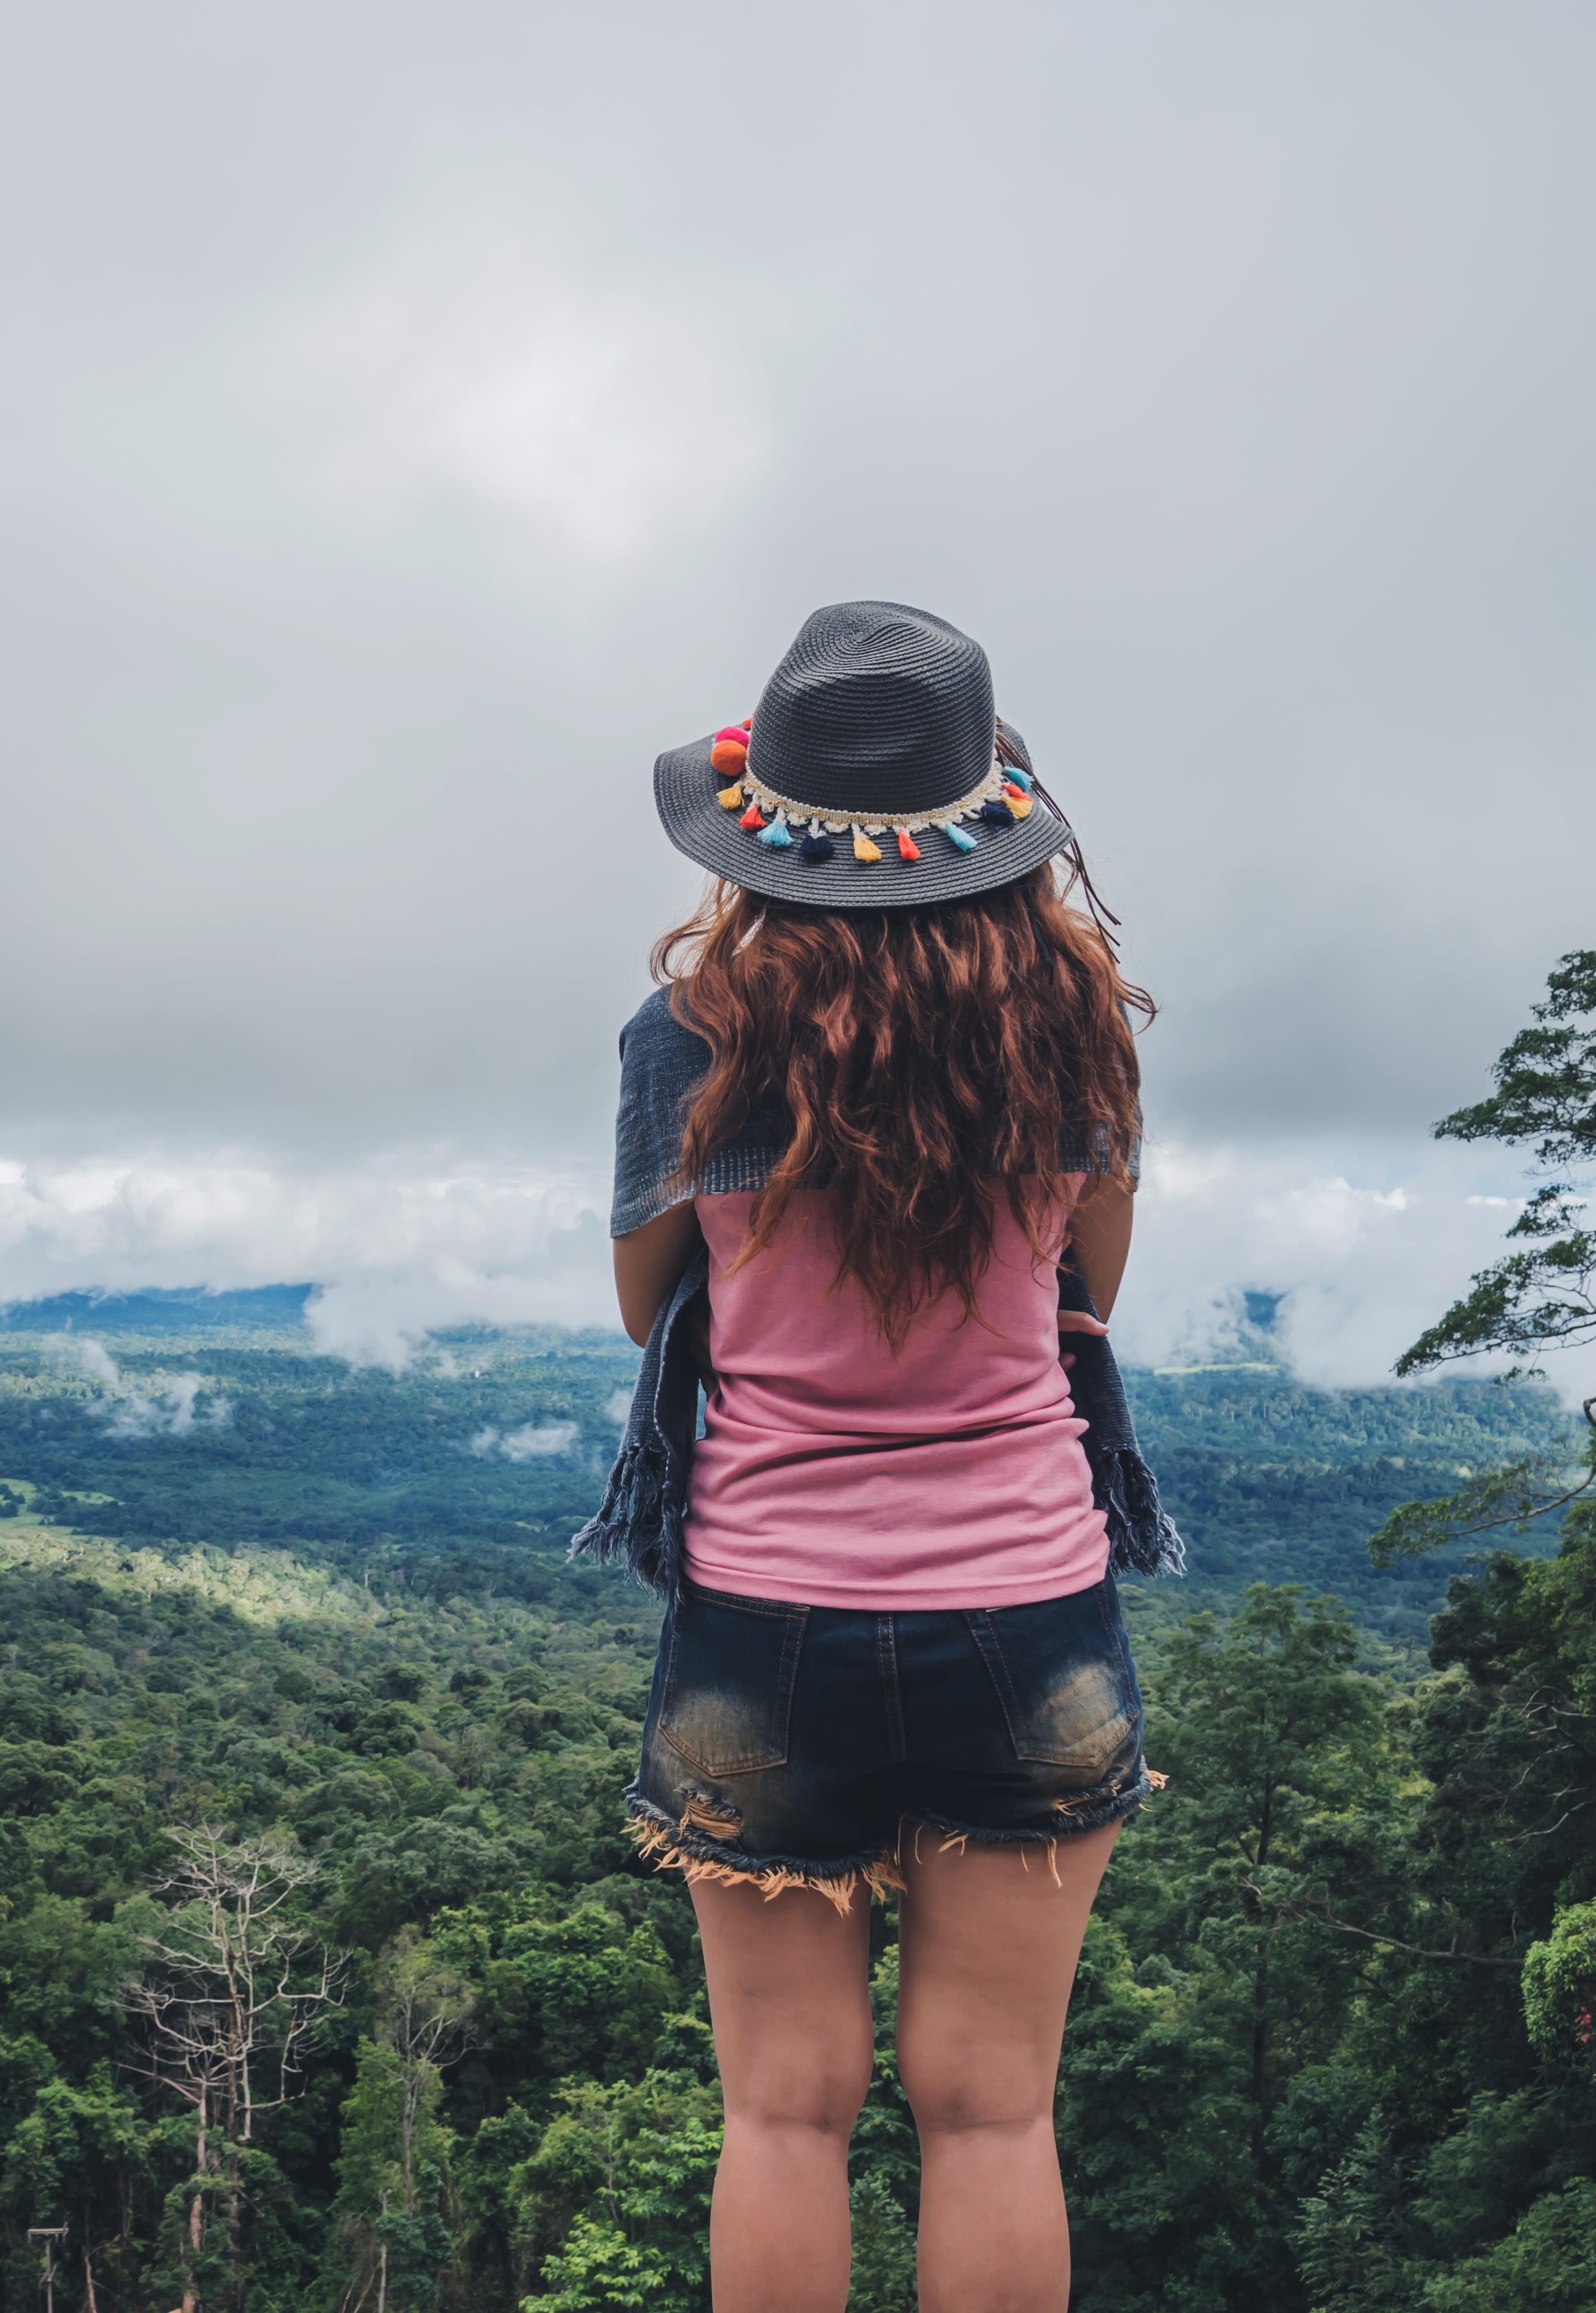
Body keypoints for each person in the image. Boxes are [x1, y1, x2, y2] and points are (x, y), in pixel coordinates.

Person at [573, 602, 1180, 2313]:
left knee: (781, 2112)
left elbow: (650, 1310)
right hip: (1032, 1607)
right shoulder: (1077, 1033)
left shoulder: (689, 1037)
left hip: (766, 1613)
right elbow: (1090, 1292)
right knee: (993, 2116)